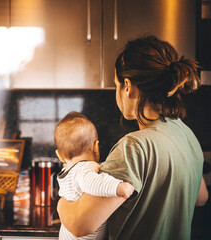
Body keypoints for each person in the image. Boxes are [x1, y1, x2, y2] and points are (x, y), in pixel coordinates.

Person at [57, 35, 209, 240]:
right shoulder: (187, 135)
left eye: (116, 85)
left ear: (127, 87)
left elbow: (80, 224)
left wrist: (61, 202)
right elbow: (201, 198)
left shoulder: (135, 147)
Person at [54, 111, 134, 240]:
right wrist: (118, 188)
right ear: (96, 147)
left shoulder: (67, 172)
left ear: (60, 155)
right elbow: (93, 183)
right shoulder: (84, 168)